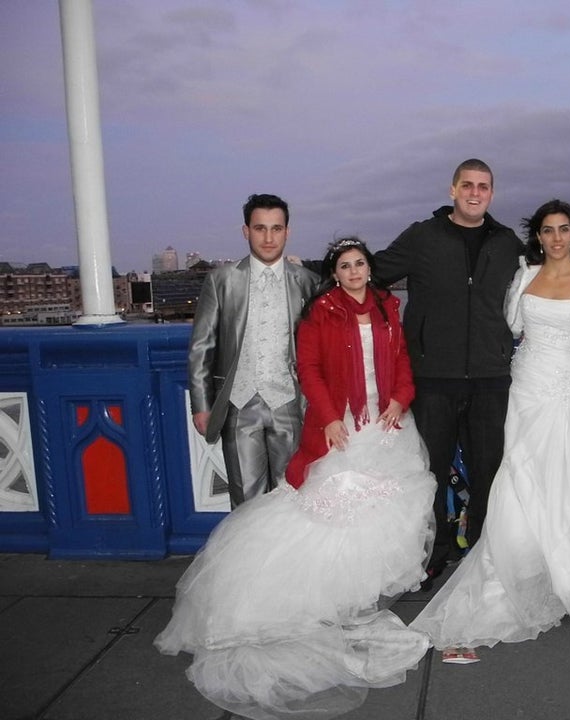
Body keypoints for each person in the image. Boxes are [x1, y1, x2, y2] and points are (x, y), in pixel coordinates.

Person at [156, 238, 436, 719]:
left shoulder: (390, 307)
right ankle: (305, 599)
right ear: (335, 272)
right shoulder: (320, 312)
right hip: (342, 427)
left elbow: (404, 360)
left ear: (370, 269)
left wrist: (400, 398)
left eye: (360, 264)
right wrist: (329, 419)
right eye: (344, 266)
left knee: (379, 516)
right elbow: (307, 369)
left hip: (386, 426)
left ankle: (356, 600)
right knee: (328, 517)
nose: (353, 272)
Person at [411, 200, 570, 659]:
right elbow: (510, 324)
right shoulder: (523, 274)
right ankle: (522, 564)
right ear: (538, 236)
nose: (556, 238)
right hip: (526, 386)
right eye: (548, 231)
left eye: (564, 229)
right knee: (520, 476)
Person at [375, 158, 524, 582]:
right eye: (467, 185)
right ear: (452, 190)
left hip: (490, 378)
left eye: (483, 186)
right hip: (433, 376)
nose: (475, 193)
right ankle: (434, 550)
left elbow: (547, 276)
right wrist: (319, 270)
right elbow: (374, 274)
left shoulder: (507, 242)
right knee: (430, 472)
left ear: (491, 193)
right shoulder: (423, 236)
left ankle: (481, 550)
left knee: (488, 470)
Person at [187, 193, 321, 508]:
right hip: (238, 404)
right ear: (246, 231)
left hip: (290, 403)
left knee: (293, 496)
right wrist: (201, 405)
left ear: (288, 231)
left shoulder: (308, 281)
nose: (269, 237)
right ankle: (248, 559)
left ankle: (288, 559)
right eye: (260, 228)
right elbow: (201, 346)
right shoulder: (221, 280)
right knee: (245, 500)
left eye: (276, 228)